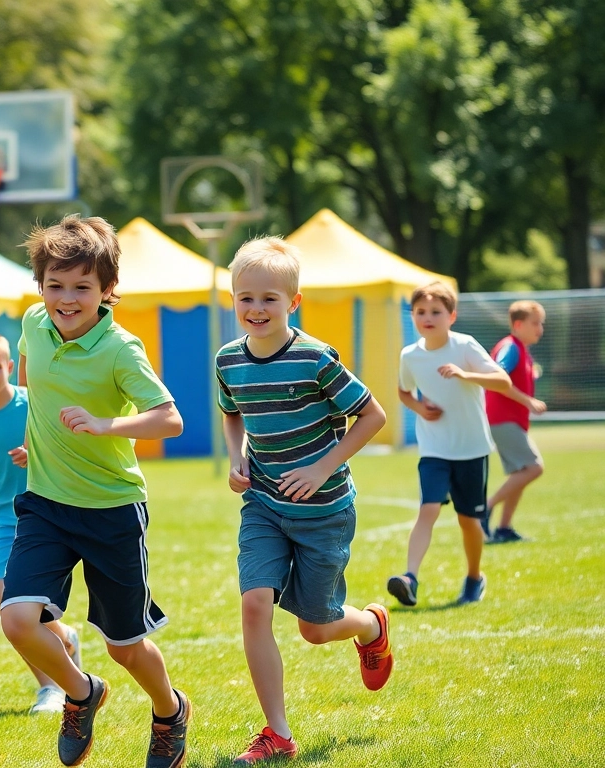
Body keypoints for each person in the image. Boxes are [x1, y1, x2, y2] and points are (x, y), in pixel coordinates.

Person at [0, 215, 189, 768]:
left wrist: (105, 426)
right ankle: (81, 693)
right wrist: (41, 442)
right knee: (17, 619)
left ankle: (169, 710)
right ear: (40, 287)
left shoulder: (122, 350)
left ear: (108, 290)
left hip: (112, 511)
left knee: (124, 646)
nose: (66, 298)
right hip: (47, 505)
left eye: (82, 286)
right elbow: (33, 384)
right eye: (55, 285)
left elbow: (168, 420)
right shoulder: (33, 323)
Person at [215, 238, 393, 764]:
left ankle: (370, 625)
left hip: (324, 514)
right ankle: (278, 734)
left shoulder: (316, 357)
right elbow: (232, 413)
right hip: (265, 506)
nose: (256, 309)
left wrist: (321, 468)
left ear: (294, 302)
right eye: (245, 298)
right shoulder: (228, 360)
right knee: (254, 605)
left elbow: (373, 415)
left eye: (269, 298)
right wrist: (236, 457)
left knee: (315, 629)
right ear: (233, 300)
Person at [0, 331, 81, 715]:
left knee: (22, 607)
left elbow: (64, 441)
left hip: (48, 511)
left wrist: (35, 451)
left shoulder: (33, 403)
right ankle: (63, 640)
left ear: (10, 367)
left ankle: (51, 687)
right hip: (6, 519)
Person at [388, 282, 516, 607]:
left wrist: (465, 374)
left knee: (468, 521)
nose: (427, 317)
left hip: (471, 449)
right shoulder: (410, 355)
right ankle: (409, 578)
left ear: (452, 316)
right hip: (434, 448)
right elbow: (404, 391)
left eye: (435, 312)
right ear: (412, 316)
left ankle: (475, 578)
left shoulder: (465, 346)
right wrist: (419, 408)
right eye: (420, 312)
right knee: (428, 508)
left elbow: (503, 380)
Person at [485, 300, 549, 543]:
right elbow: (497, 376)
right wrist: (529, 401)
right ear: (519, 324)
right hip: (502, 419)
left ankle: (504, 528)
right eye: (535, 323)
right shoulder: (510, 347)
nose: (540, 328)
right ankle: (486, 508)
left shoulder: (521, 349)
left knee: (521, 472)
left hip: (511, 420)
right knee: (534, 467)